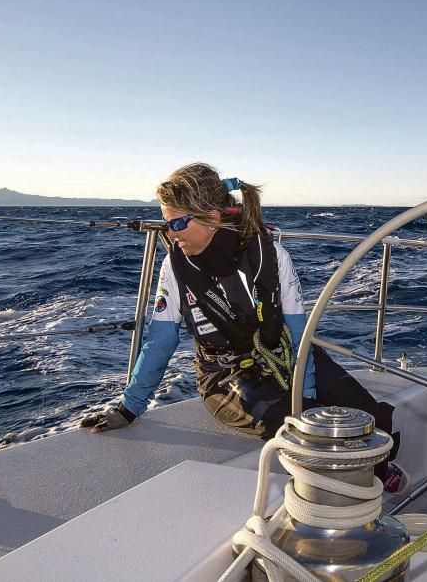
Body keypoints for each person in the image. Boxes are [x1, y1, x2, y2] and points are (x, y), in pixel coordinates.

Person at [82, 163, 404, 488]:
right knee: (306, 435)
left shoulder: (273, 256)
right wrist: (129, 408)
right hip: (226, 378)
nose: (170, 234)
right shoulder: (175, 266)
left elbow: (297, 332)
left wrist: (302, 394)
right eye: (167, 224)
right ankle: (340, 500)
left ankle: (378, 476)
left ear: (213, 216)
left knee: (369, 415)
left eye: (178, 222)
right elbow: (161, 339)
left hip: (286, 357)